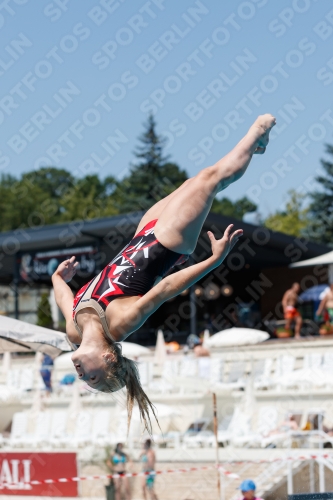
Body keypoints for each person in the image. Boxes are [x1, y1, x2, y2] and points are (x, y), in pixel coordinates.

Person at [52, 114, 276, 431]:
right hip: (168, 244)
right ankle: (258, 133)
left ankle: (258, 146)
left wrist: (57, 278)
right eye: (92, 376)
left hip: (142, 234)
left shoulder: (74, 332)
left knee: (192, 182)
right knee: (212, 179)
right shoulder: (119, 323)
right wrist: (212, 261)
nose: (81, 374)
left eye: (85, 379)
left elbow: (65, 298)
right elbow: (165, 288)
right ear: (108, 360)